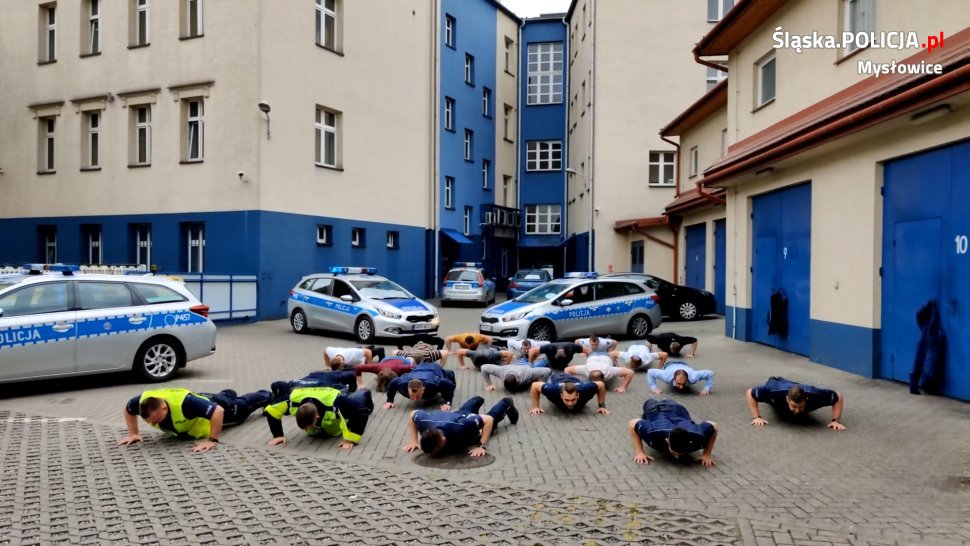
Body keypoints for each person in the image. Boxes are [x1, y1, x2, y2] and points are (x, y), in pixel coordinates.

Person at [117, 387, 272, 452]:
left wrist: (213, 440)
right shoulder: (141, 402)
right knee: (220, 399)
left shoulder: (185, 404)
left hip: (215, 408)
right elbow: (128, 409)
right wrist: (133, 433)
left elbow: (218, 412)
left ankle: (268, 396)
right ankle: (226, 394)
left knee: (242, 408)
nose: (153, 424)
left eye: (156, 421)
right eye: (150, 422)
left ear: (164, 408)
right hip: (202, 401)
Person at [402, 396, 519, 457]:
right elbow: (412, 414)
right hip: (455, 416)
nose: (433, 455)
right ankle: (477, 400)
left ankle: (506, 402)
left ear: (443, 440)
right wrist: (413, 441)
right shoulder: (424, 422)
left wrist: (482, 446)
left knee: (492, 416)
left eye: (435, 451)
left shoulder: (461, 427)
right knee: (462, 413)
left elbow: (488, 420)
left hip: (466, 425)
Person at [264, 386, 374, 449]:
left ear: (317, 416)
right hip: (312, 391)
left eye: (309, 426)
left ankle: (364, 391)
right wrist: (278, 435)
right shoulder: (292, 401)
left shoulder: (338, 402)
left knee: (359, 399)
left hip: (332, 393)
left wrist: (351, 440)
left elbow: (361, 412)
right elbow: (272, 410)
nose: (307, 429)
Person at [628, 399, 718, 466]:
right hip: (656, 409)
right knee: (649, 402)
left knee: (671, 402)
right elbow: (632, 423)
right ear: (667, 440)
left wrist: (707, 454)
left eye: (681, 453)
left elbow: (714, 426)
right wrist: (639, 452)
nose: (677, 457)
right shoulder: (654, 432)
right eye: (674, 453)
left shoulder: (698, 434)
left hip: (679, 410)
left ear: (689, 441)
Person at [746, 377, 846, 430]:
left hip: (795, 385)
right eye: (794, 406)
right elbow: (750, 393)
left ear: (806, 399)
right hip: (777, 383)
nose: (797, 410)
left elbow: (838, 396)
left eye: (801, 406)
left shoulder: (816, 395)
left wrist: (836, 420)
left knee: (795, 385)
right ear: (787, 400)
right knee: (776, 381)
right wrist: (756, 417)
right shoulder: (773, 392)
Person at [529, 372, 609, 416]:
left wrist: (602, 406)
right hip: (557, 378)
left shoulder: (585, 390)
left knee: (584, 382)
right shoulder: (552, 390)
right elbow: (534, 385)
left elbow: (601, 385)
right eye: (566, 400)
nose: (570, 403)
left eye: (573, 399)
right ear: (561, 396)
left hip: (574, 380)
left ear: (578, 395)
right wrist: (536, 407)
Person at [383, 363, 456, 410]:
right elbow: (392, 383)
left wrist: (448, 403)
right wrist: (389, 401)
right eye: (412, 396)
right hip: (418, 368)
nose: (415, 399)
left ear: (423, 389)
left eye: (417, 396)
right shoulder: (401, 383)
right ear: (408, 389)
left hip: (434, 369)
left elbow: (448, 384)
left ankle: (449, 373)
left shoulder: (434, 383)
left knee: (448, 380)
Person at [564, 353, 635, 393]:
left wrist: (623, 387)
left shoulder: (609, 372)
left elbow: (630, 372)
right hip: (592, 355)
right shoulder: (586, 369)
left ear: (603, 378)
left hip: (607, 356)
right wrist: (570, 383)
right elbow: (567, 370)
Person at [271, 369, 357, 399]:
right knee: (338, 372)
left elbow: (342, 388)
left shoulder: (317, 385)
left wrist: (345, 396)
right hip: (313, 375)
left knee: (345, 374)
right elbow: (275, 384)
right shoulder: (290, 383)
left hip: (325, 378)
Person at [648, 362, 715, 395]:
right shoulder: (666, 376)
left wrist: (707, 389)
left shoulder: (694, 377)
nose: (681, 387)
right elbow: (650, 372)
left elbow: (710, 373)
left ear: (687, 379)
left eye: (684, 383)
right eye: (678, 383)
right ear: (674, 378)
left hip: (684, 365)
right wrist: (654, 388)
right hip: (670, 364)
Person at [481, 363, 552, 392]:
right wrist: (489, 384)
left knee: (540, 363)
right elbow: (483, 367)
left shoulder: (527, 374)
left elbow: (547, 371)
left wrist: (542, 384)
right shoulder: (501, 372)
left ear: (518, 380)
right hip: (514, 364)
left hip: (526, 365)